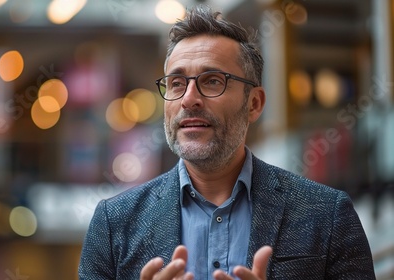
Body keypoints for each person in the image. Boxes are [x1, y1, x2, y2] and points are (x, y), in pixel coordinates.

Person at [78, 5, 375, 280]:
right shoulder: (113, 223)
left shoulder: (327, 215)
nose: (189, 99)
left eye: (212, 81)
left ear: (254, 103)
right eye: (177, 83)